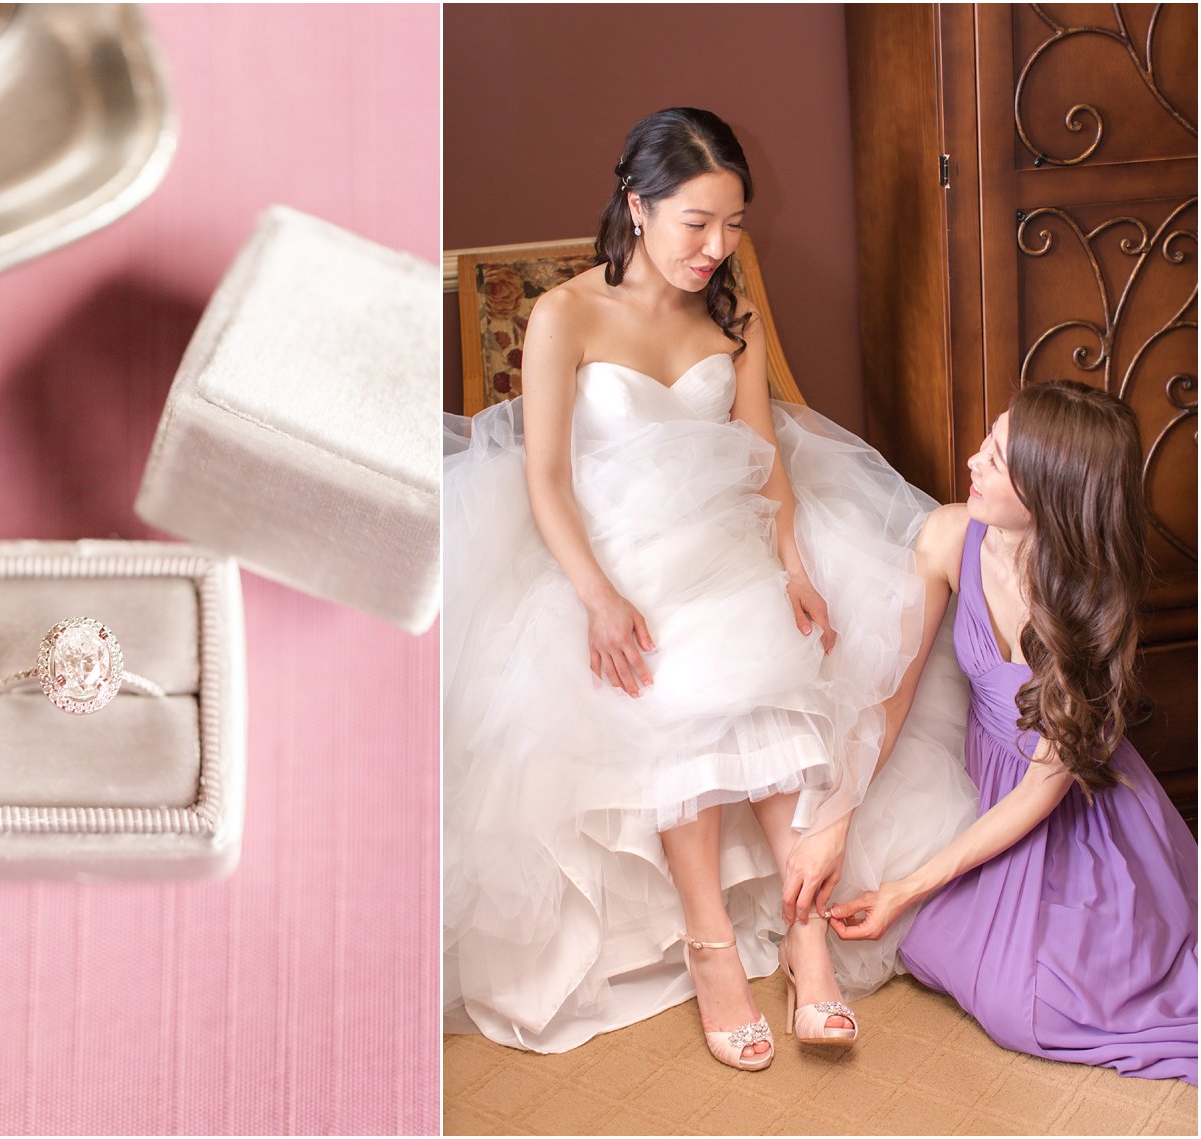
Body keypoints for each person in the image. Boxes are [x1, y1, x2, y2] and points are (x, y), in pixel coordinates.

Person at [442, 107, 976, 1065]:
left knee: (771, 644)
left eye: (733, 225)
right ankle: (713, 949)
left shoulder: (733, 314)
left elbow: (765, 459)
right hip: (605, 549)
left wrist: (797, 568)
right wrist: (600, 596)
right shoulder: (565, 314)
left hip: (725, 538)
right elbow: (547, 479)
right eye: (697, 223)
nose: (716, 248)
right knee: (683, 660)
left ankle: (803, 936)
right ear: (637, 206)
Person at [821, 380, 1198, 1085]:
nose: (972, 461)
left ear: (1049, 496)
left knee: (1029, 1006)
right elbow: (890, 698)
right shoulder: (948, 536)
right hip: (987, 784)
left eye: (997, 460)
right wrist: (834, 815)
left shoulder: (1085, 603)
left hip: (1074, 811)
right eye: (988, 442)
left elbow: (1040, 793)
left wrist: (906, 888)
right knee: (944, 954)